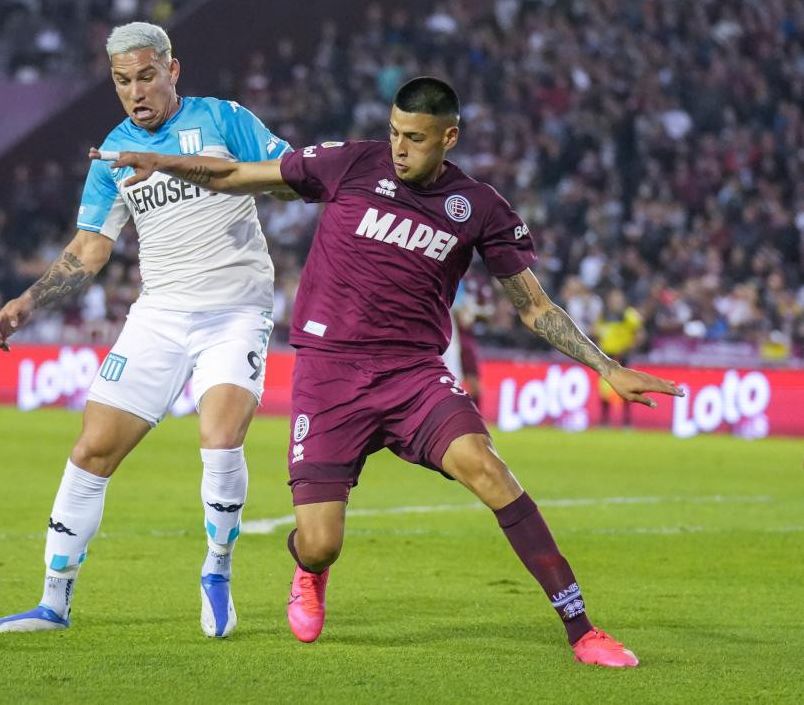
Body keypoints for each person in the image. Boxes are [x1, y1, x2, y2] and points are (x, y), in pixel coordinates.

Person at [94, 76, 683, 667]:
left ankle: (582, 630)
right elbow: (237, 175)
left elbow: (533, 306)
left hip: (412, 376)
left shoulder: (478, 207)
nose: (400, 148)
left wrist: (606, 367)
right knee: (322, 544)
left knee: (491, 471)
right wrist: (166, 163)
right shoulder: (350, 164)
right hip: (329, 377)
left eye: (417, 138)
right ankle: (308, 571)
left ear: (449, 138)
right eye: (395, 133)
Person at [0, 22, 291, 638]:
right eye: (123, 81)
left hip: (236, 310)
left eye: (146, 76)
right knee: (91, 450)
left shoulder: (226, 119)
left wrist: (204, 169)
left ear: (172, 72)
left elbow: (290, 176)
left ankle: (217, 569)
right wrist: (30, 301)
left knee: (220, 433)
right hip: (160, 314)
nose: (135, 91)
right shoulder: (113, 153)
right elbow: (91, 248)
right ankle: (54, 601)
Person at [594, 288, 645, 427]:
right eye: (613, 299)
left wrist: (629, 347)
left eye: (618, 299)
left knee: (626, 389)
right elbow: (596, 331)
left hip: (622, 356)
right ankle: (604, 421)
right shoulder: (604, 315)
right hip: (607, 357)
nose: (616, 302)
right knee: (605, 389)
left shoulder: (629, 315)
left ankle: (626, 422)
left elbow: (639, 334)